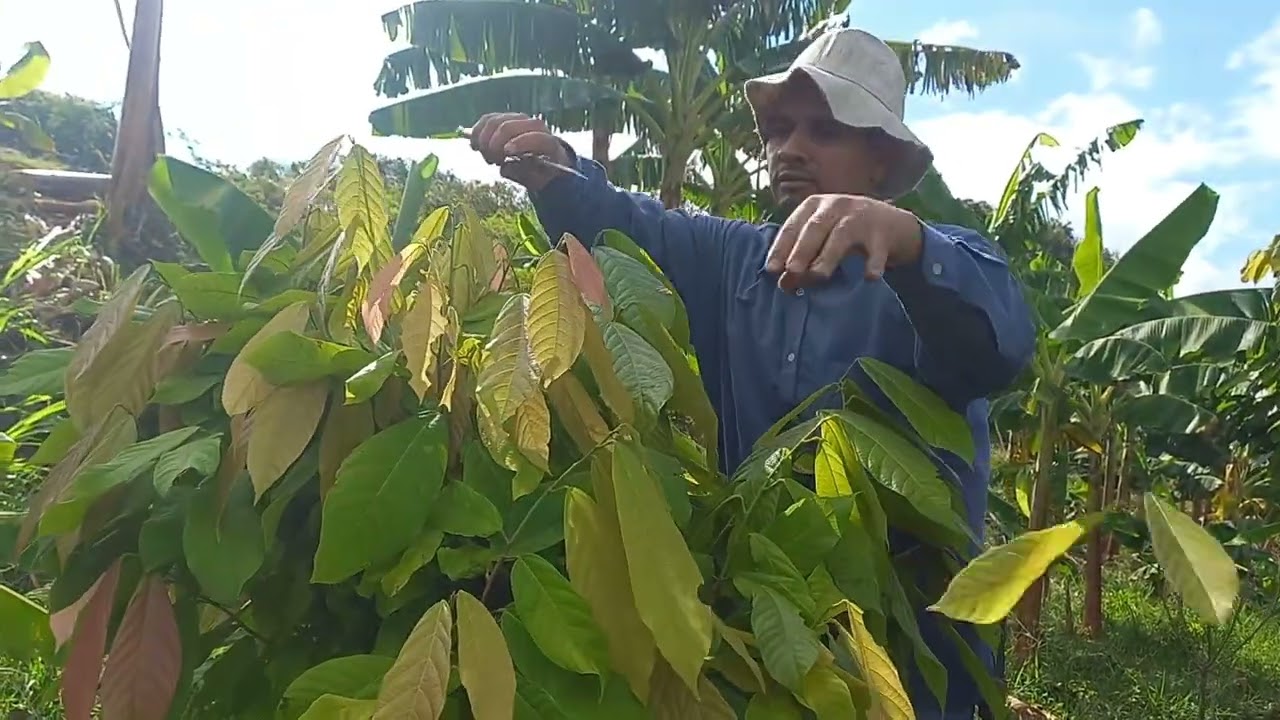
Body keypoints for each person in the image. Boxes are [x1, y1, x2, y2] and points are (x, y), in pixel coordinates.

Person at [469, 27, 1036, 720]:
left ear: (882, 163)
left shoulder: (938, 266)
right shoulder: (733, 259)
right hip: (763, 634)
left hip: (913, 656)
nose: (790, 148)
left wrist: (907, 242)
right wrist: (559, 168)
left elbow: (1001, 343)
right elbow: (625, 224)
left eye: (824, 130)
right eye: (780, 130)